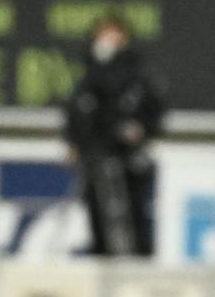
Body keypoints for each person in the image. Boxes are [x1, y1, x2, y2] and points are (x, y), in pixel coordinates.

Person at [62, 14, 165, 257]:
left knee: (134, 216)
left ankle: (139, 264)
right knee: (97, 216)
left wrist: (141, 131)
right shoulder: (88, 75)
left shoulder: (138, 76)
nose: (106, 40)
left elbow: (152, 112)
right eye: (102, 33)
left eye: (112, 33)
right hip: (94, 158)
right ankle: (101, 263)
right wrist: (74, 142)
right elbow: (78, 113)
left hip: (127, 160)